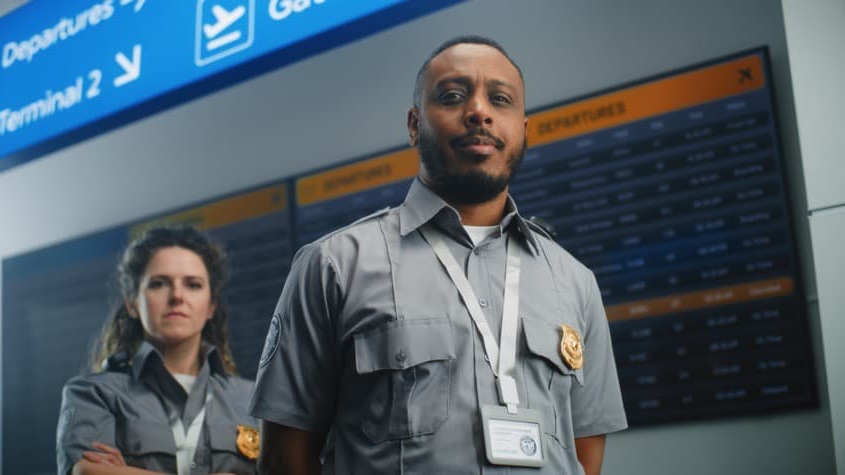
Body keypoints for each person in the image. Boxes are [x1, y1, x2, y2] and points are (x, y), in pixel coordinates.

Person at [248, 35, 628, 474]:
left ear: (524, 131)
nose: (479, 111)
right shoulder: (333, 266)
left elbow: (584, 459)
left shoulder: (576, 282)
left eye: (501, 99)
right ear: (413, 125)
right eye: (452, 96)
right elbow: (285, 459)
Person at [56, 224, 259, 475]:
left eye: (193, 285)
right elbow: (88, 473)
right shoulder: (95, 394)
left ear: (211, 306)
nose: (177, 296)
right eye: (159, 283)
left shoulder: (254, 401)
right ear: (132, 304)